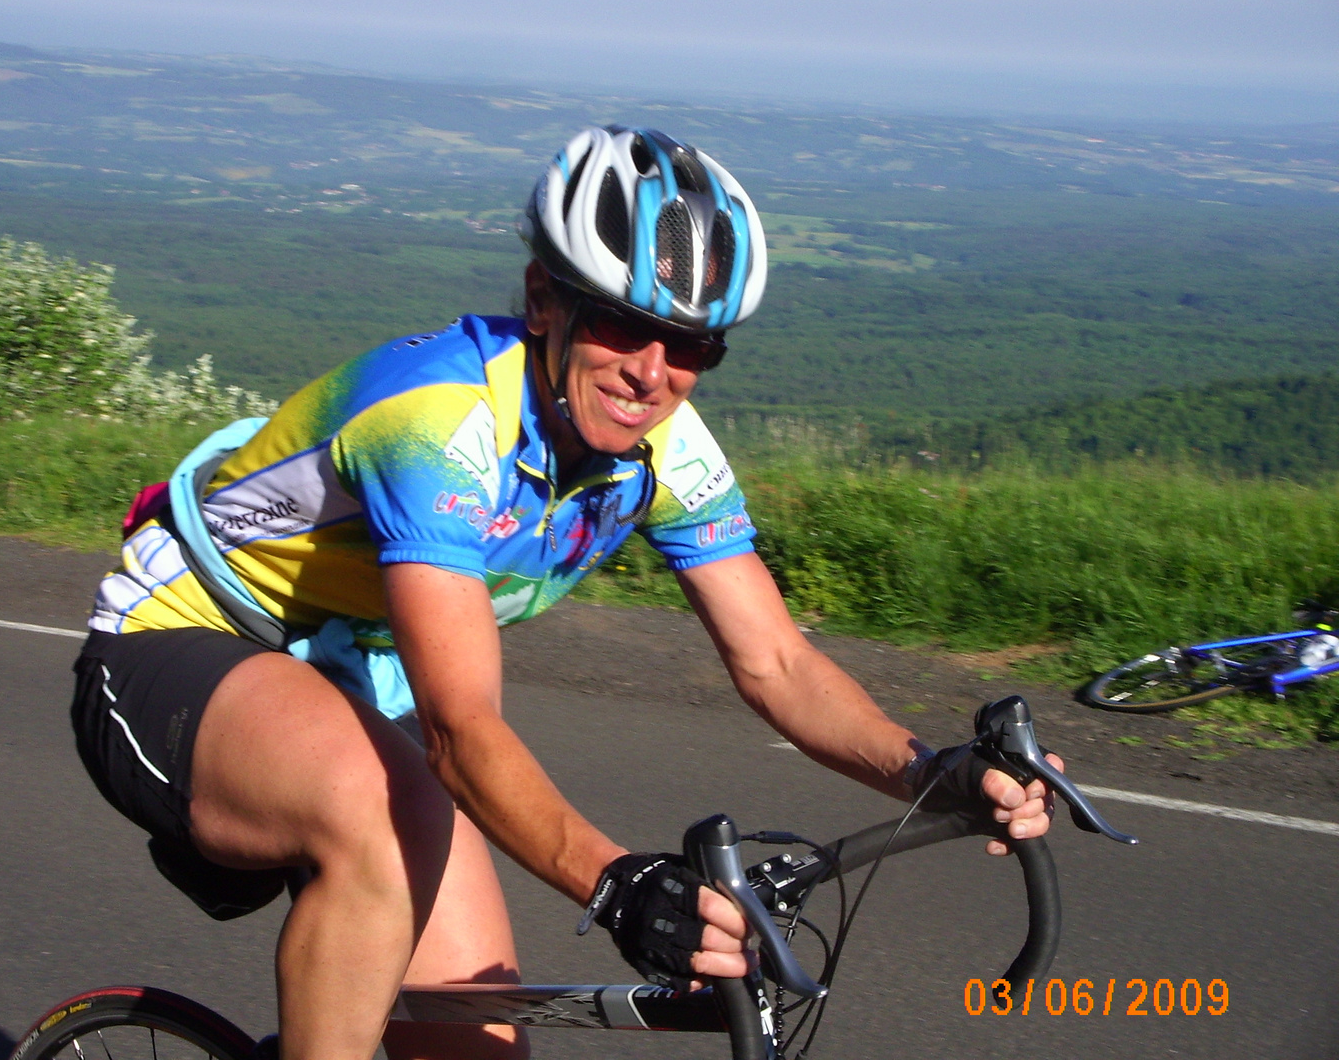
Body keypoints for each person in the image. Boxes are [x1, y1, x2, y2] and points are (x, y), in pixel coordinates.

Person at [71, 126, 1061, 1060]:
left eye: (692, 348)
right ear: (545, 299)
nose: (653, 373)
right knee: (374, 808)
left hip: (349, 679)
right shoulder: (441, 422)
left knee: (474, 1028)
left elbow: (779, 662)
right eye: (624, 326)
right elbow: (462, 730)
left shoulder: (665, 445)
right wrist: (620, 885)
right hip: (185, 638)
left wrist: (935, 773)